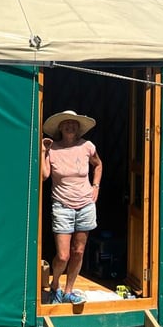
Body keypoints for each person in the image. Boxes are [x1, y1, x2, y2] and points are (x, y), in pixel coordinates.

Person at [41, 110, 103, 305]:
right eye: (66, 123)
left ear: (78, 128)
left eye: (74, 123)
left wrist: (96, 186)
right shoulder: (53, 149)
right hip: (62, 205)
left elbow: (99, 165)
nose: (70, 126)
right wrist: (43, 151)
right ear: (60, 127)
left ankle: (68, 292)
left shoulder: (87, 146)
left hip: (85, 204)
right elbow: (44, 176)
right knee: (63, 255)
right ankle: (55, 285)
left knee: (78, 251)